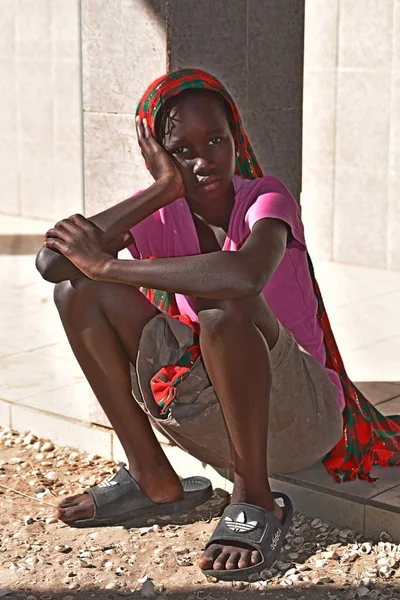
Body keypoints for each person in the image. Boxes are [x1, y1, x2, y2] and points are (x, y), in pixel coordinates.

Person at [35, 68, 400, 581]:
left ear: (237, 139)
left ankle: (254, 494)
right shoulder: (160, 213)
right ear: (156, 156)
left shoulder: (267, 198)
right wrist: (162, 190)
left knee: (225, 303)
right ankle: (152, 477)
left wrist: (111, 266)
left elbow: (245, 275)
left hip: (302, 416)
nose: (204, 160)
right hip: (214, 408)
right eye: (181, 151)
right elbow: (54, 266)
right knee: (77, 291)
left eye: (216, 141)